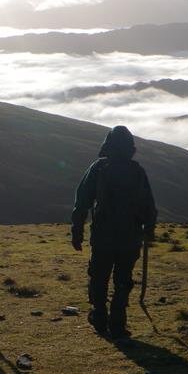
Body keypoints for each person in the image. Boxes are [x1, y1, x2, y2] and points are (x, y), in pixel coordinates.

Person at [71, 125, 157, 340]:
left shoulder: (99, 168)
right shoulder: (137, 171)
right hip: (130, 235)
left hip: (103, 234)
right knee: (123, 278)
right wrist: (149, 230)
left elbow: (82, 201)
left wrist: (77, 230)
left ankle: (99, 316)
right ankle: (118, 323)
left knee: (99, 275)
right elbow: (148, 204)